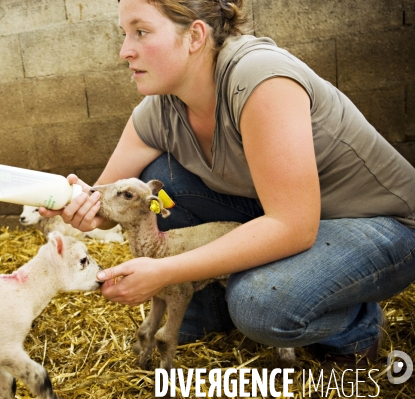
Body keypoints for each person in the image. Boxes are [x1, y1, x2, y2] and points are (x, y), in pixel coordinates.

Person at [41, 0, 415, 365]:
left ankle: (353, 323)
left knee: (259, 304)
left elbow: (294, 226)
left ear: (195, 36)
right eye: (123, 34)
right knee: (158, 179)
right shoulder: (162, 107)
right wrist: (74, 203)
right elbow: (105, 202)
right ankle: (212, 306)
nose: (125, 51)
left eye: (141, 32)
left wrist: (164, 272)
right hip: (292, 216)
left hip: (380, 224)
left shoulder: (260, 78)